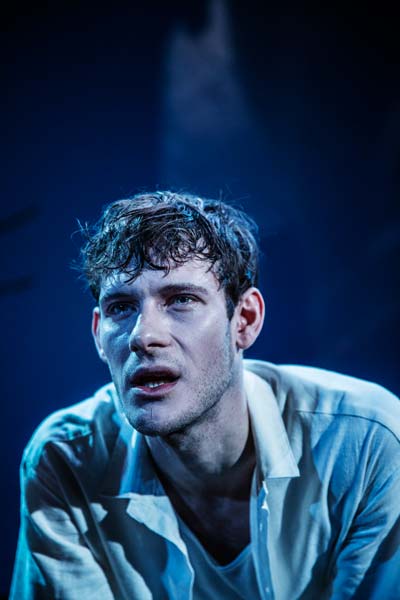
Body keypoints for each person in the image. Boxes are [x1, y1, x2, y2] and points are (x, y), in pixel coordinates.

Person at [10, 191, 400, 599]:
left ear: (244, 320)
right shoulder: (66, 460)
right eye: (121, 307)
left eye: (181, 300)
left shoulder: (364, 444)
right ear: (98, 336)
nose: (143, 336)